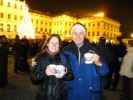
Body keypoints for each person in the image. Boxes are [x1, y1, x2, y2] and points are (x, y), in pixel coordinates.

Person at [63, 23, 109, 100]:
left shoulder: (94, 49)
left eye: (81, 33)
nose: (78, 36)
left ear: (85, 35)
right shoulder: (65, 51)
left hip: (90, 93)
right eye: (75, 33)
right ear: (71, 35)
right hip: (71, 92)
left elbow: (105, 71)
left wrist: (98, 63)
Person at [31, 34, 73, 100]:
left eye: (56, 43)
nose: (54, 45)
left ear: (59, 45)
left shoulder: (64, 58)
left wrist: (64, 75)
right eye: (52, 43)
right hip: (43, 96)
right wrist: (45, 73)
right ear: (47, 44)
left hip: (60, 96)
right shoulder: (39, 57)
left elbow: (71, 76)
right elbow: (33, 79)